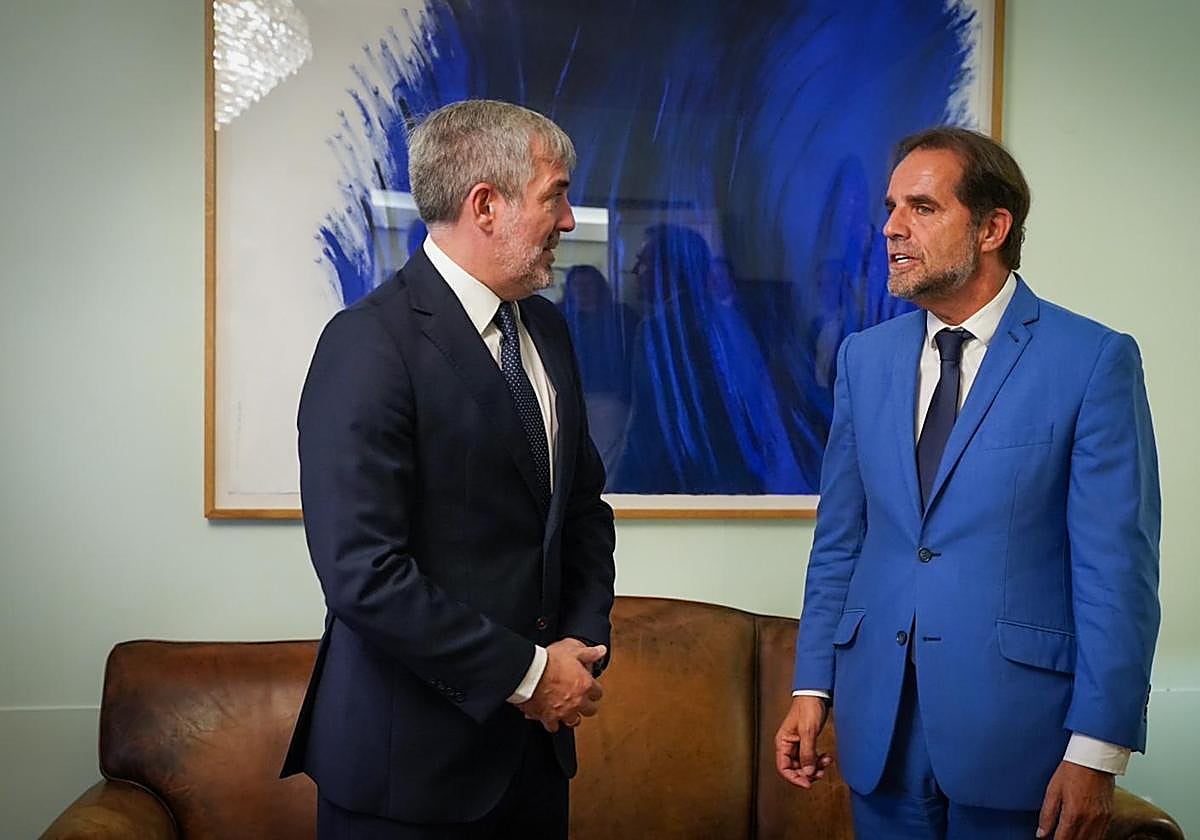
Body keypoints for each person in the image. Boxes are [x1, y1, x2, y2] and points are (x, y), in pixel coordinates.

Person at [775, 127, 1160, 840]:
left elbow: (1118, 572)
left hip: (1021, 735)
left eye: (921, 207)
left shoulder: (1092, 360)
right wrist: (813, 685)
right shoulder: (866, 359)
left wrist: (1098, 751)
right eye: (891, 207)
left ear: (991, 227)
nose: (891, 226)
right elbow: (842, 543)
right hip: (878, 730)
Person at [282, 99, 617, 840]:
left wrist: (581, 655)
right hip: (408, 779)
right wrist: (530, 675)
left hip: (534, 764)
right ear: (486, 205)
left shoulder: (549, 329)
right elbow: (363, 572)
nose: (569, 220)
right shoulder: (368, 344)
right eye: (556, 194)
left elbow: (582, 510)